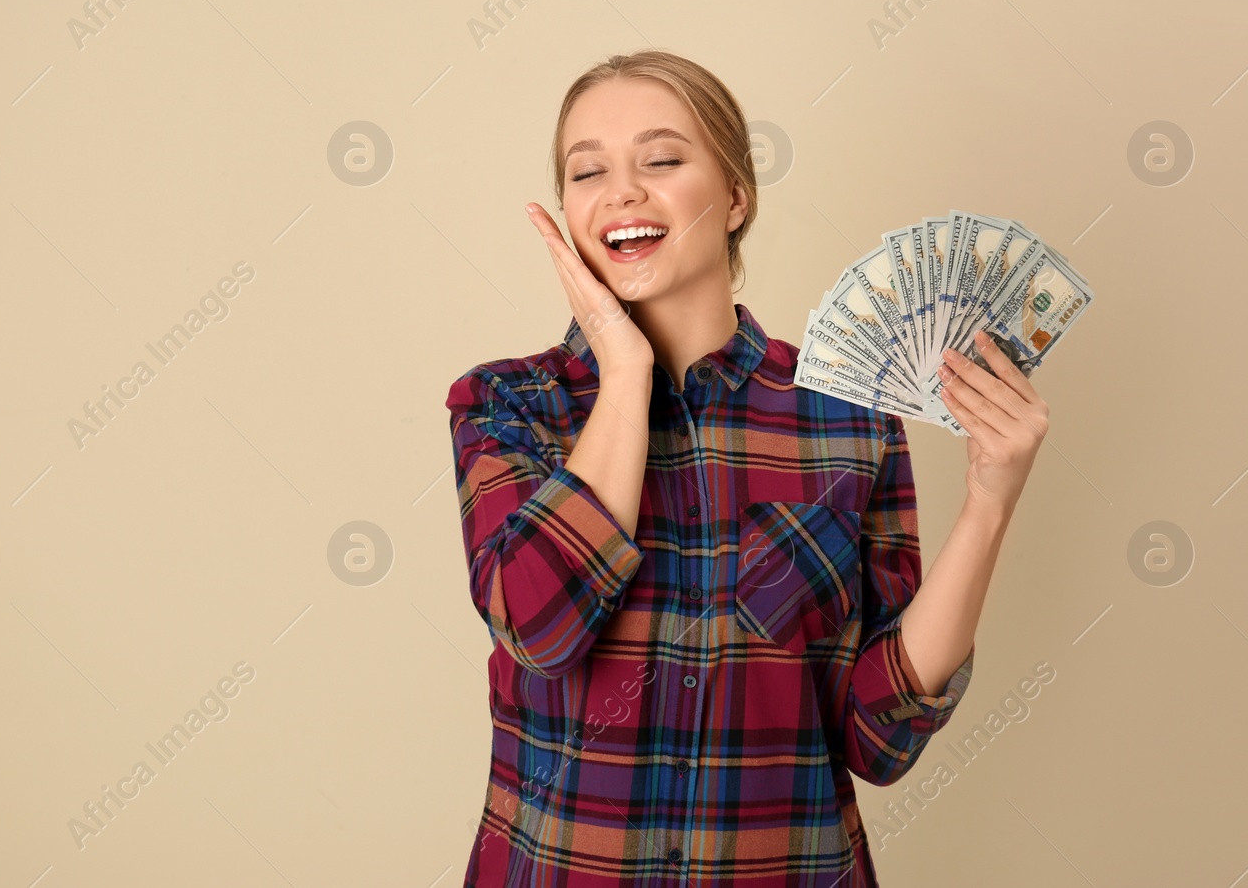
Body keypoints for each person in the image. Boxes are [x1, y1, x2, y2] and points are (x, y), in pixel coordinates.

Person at [444, 49, 1050, 887]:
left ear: (735, 197)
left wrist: (989, 501)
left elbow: (878, 734)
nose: (622, 190)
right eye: (588, 172)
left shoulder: (848, 414)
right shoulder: (507, 404)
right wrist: (625, 370)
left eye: (661, 159)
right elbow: (541, 626)